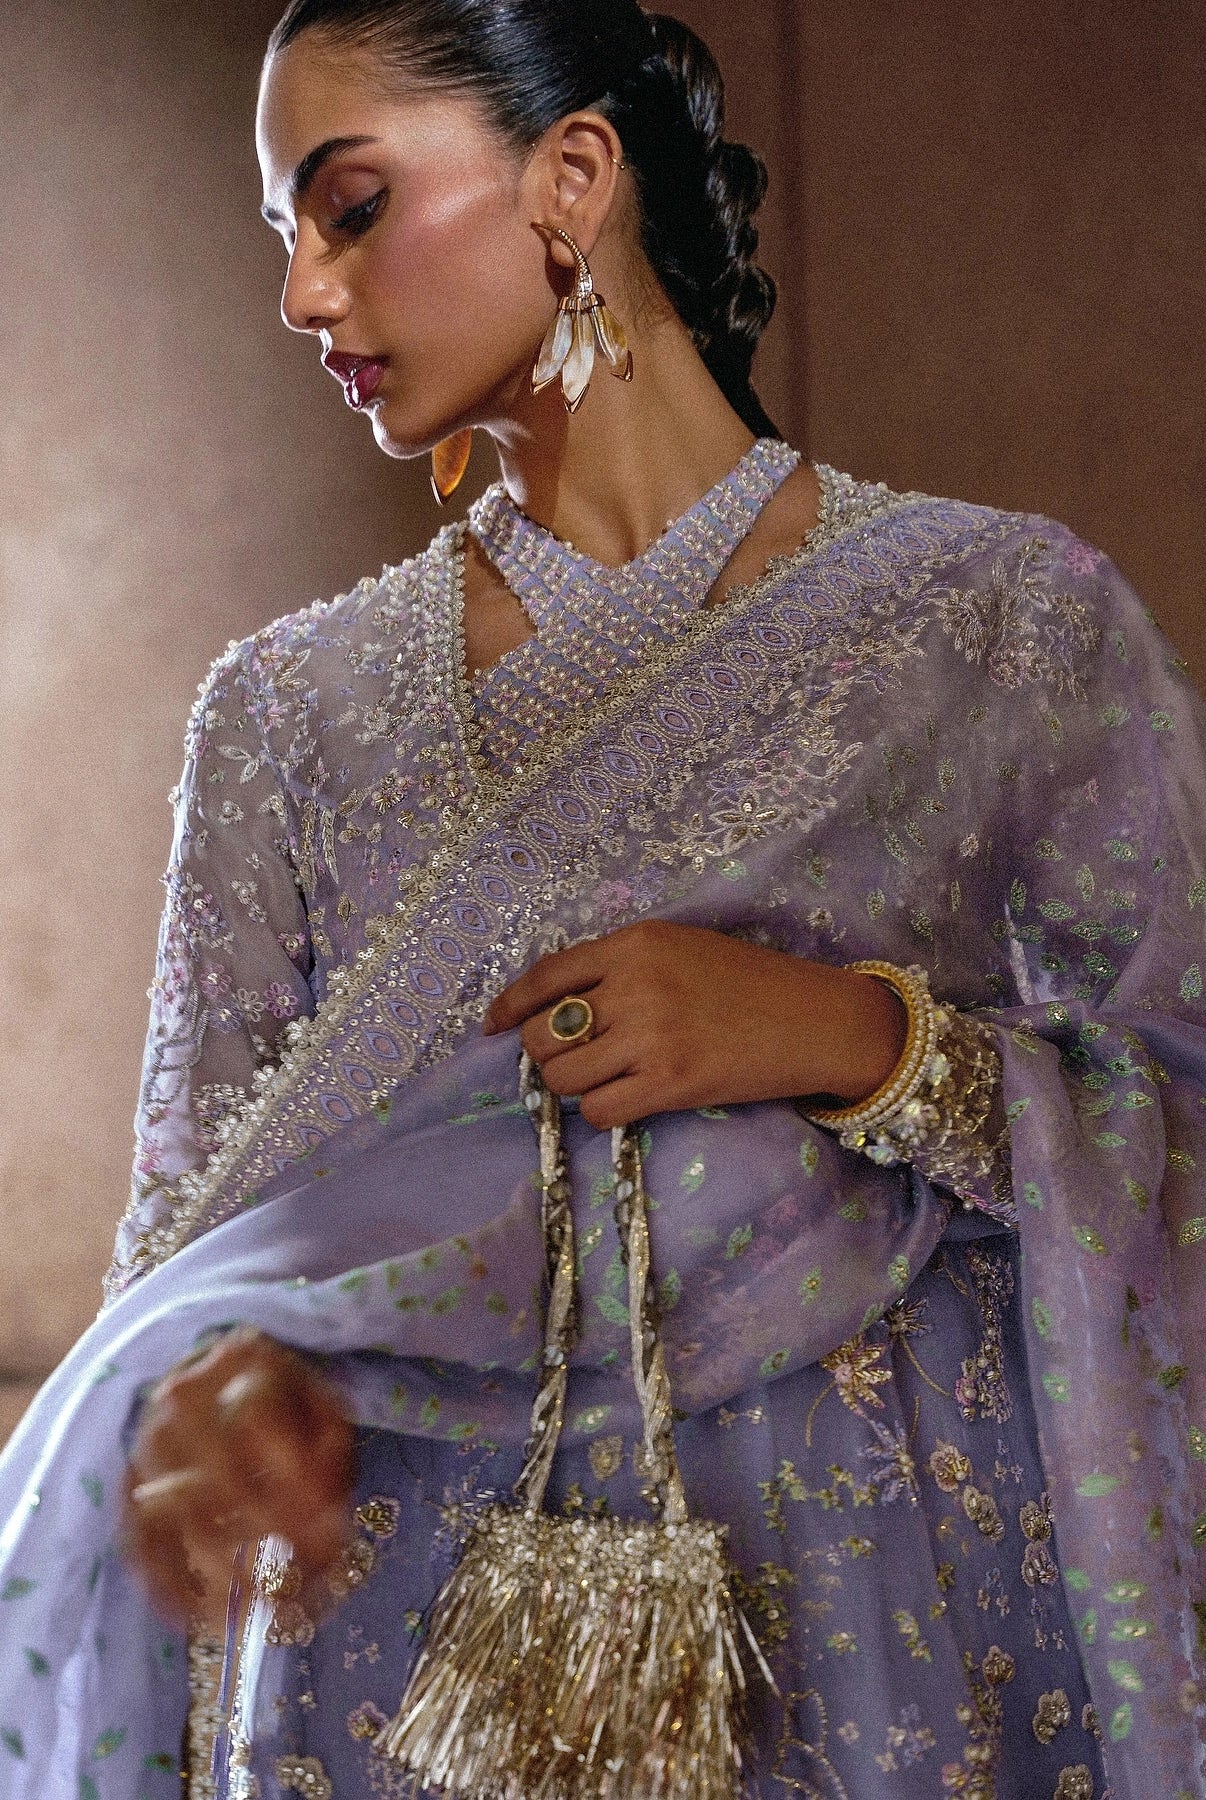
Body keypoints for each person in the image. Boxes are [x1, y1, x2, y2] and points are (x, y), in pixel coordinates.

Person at [0, 1, 1203, 1795]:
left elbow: (1176, 1117)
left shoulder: (999, 622)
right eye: (282, 238)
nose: (304, 295)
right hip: (403, 1647)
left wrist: (849, 1037)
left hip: (876, 1609)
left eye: (349, 208)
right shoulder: (289, 712)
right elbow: (193, 1254)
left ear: (570, 178)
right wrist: (214, 1393)